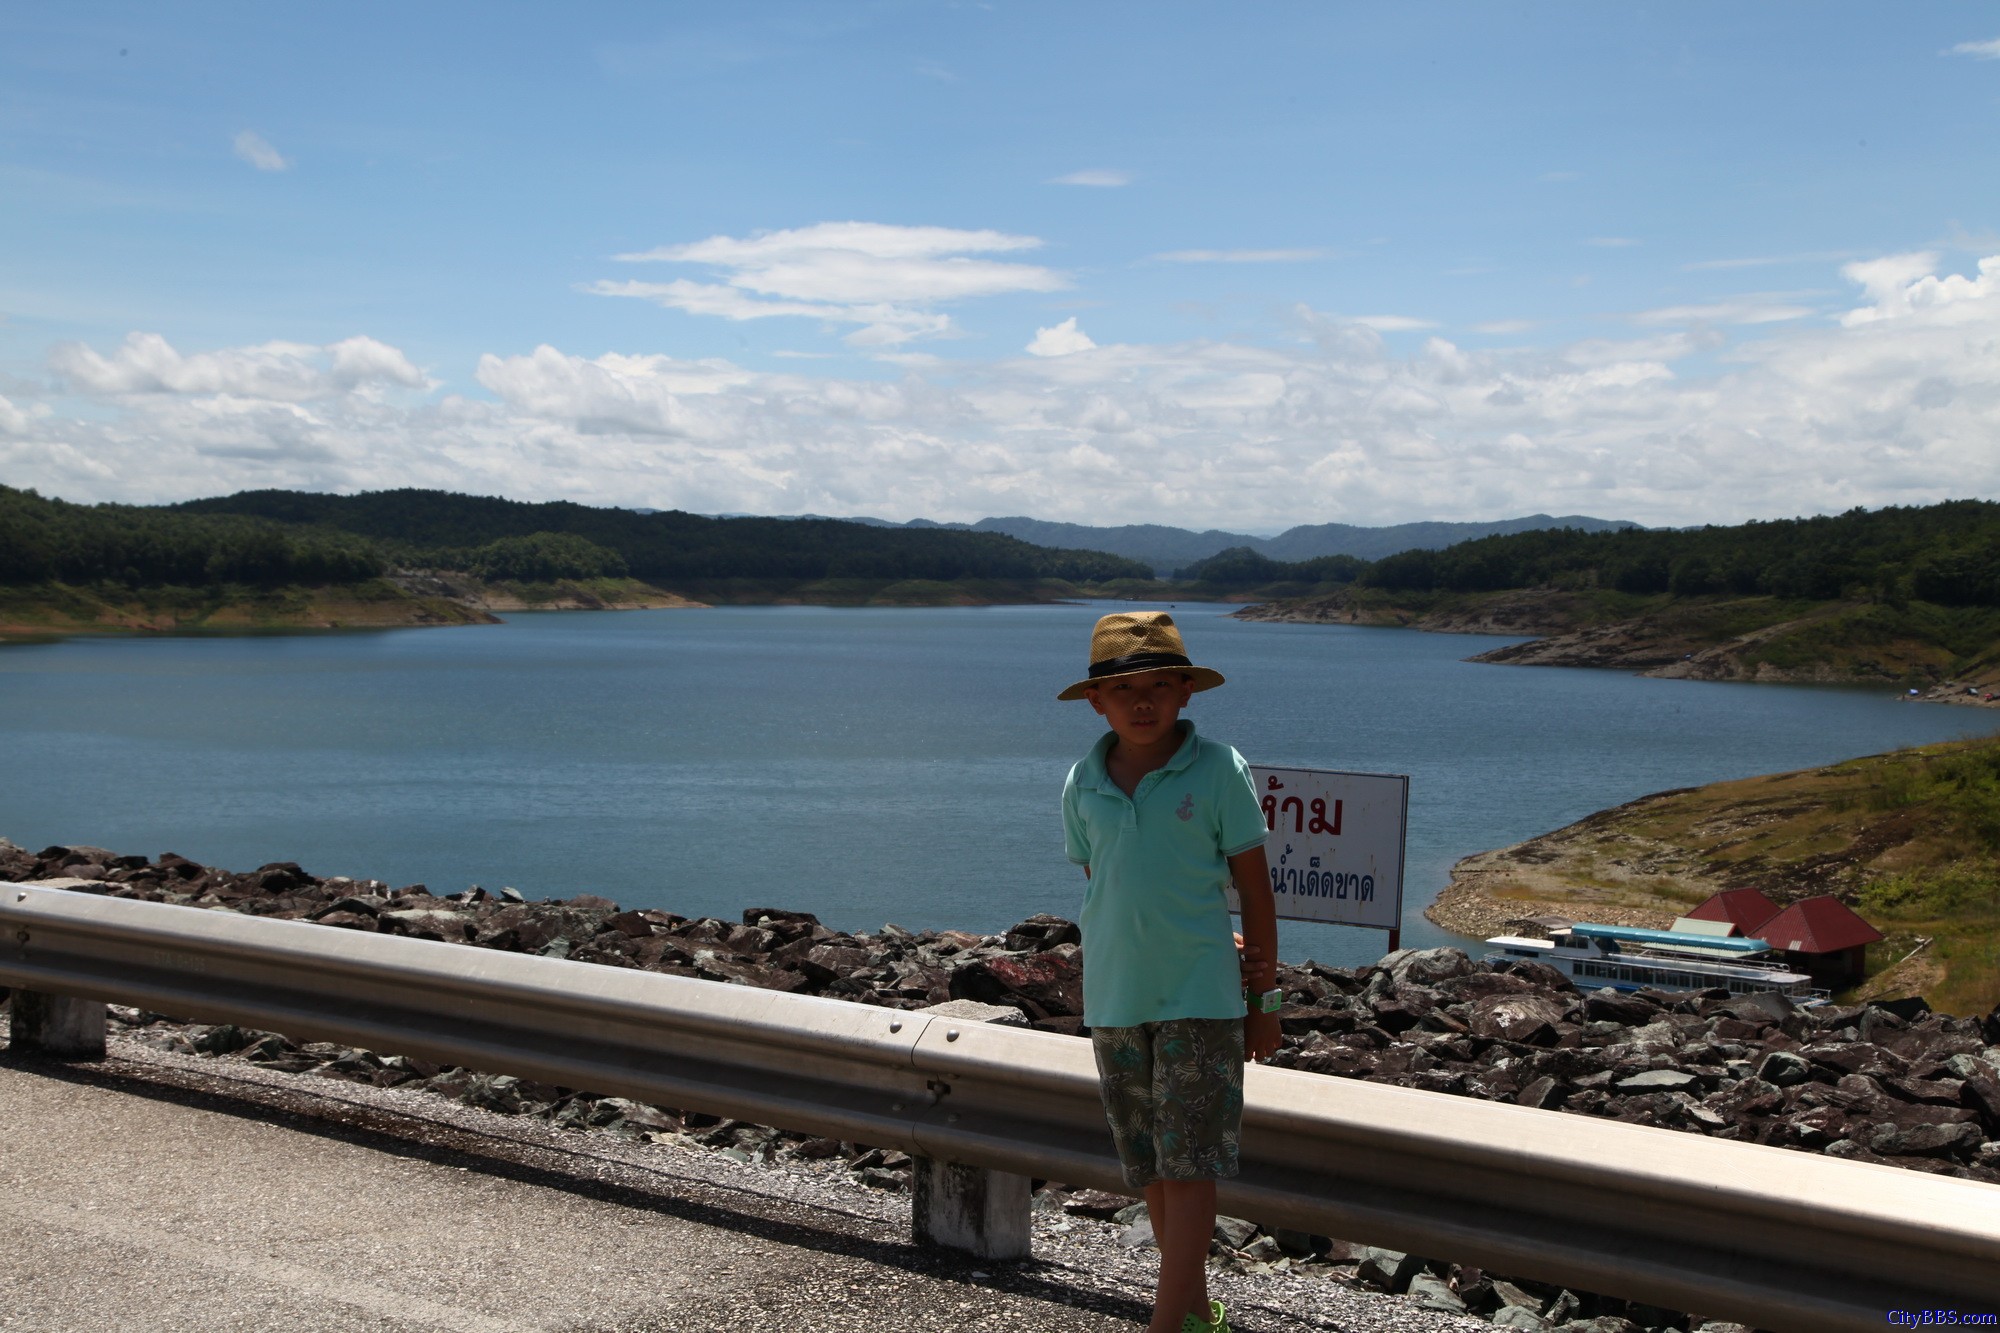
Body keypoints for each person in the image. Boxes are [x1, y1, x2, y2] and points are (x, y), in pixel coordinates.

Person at [1058, 611, 1280, 1333]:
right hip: (1116, 995)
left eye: (1159, 684)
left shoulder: (1219, 769)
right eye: (1125, 689)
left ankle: (1163, 1326)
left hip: (1200, 995)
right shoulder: (1081, 781)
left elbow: (1254, 889)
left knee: (1190, 1165)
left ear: (1186, 691)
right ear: (1097, 701)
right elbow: (1102, 880)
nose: (1143, 701)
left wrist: (1264, 997)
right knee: (1151, 1166)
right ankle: (1194, 1317)